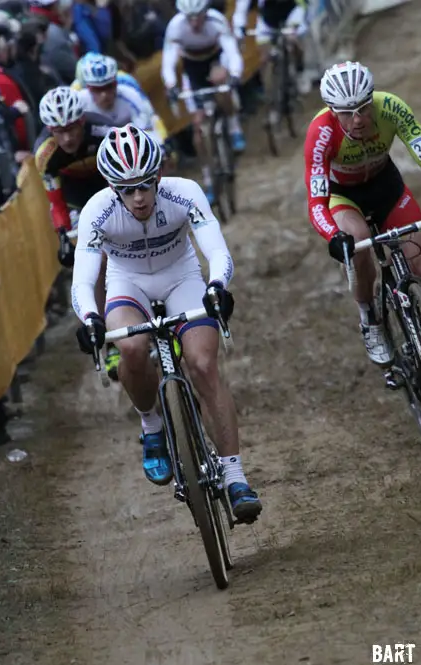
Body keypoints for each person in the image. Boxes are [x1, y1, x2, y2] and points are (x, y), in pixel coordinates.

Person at [71, 124, 262, 522]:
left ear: (158, 176)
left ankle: (235, 476)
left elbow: (216, 250)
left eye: (145, 185)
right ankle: (152, 423)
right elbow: (84, 280)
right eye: (127, 189)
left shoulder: (184, 192)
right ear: (111, 186)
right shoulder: (96, 211)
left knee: (204, 365)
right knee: (130, 347)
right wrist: (89, 318)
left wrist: (216, 286)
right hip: (128, 283)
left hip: (181, 276)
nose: (139, 198)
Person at [303, 61, 421, 405]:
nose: (358, 119)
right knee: (356, 245)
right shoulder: (321, 132)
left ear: (373, 100)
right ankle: (369, 316)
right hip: (344, 198)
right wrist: (332, 236)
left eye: (363, 108)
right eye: (347, 113)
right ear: (332, 111)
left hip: (388, 189)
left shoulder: (392, 108)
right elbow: (316, 200)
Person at [35, 88, 120, 374]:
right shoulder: (46, 154)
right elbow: (56, 203)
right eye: (59, 132)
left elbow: (124, 176)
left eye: (72, 129)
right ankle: (109, 342)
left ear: (82, 122)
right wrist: (62, 235)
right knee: (94, 265)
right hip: (75, 200)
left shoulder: (105, 131)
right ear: (50, 130)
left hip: (109, 185)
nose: (68, 138)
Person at [161, 0, 246, 203]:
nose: (194, 22)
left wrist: (234, 74)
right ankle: (208, 177)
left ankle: (234, 128)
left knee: (220, 81)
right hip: (193, 71)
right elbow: (168, 61)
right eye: (190, 17)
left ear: (206, 13)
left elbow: (232, 52)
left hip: (216, 62)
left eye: (198, 16)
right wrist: (172, 85)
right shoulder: (175, 27)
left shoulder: (216, 21)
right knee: (198, 128)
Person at [74, 53, 165, 144]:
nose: (104, 94)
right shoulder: (77, 99)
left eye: (109, 86)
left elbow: (150, 130)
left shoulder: (131, 95)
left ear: (116, 83)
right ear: (87, 87)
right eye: (97, 89)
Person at [232, 0, 310, 94]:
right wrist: (240, 28)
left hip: (292, 12)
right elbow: (241, 9)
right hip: (266, 19)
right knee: (264, 57)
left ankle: (300, 70)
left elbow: (302, 6)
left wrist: (297, 24)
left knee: (292, 40)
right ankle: (270, 93)